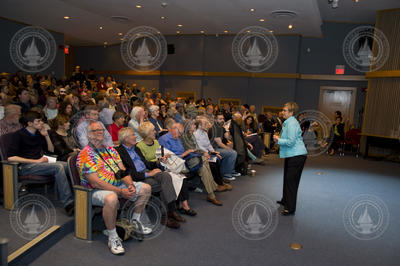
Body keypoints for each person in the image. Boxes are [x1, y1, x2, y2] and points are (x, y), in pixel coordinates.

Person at [77, 121, 151, 255]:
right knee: (111, 198)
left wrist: (130, 185)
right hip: (93, 191)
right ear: (88, 135)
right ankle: (113, 237)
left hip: (118, 185)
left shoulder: (111, 150)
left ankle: (134, 222)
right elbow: (95, 183)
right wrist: (120, 192)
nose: (100, 132)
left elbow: (122, 171)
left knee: (145, 188)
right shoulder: (85, 154)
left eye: (102, 130)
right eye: (95, 131)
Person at [116, 126, 186, 229]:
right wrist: (148, 174)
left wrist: (158, 162)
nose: (136, 136)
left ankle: (170, 211)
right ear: (126, 139)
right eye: (133, 135)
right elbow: (127, 172)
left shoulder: (136, 148)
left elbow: (146, 163)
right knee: (163, 184)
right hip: (138, 177)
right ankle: (166, 214)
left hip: (147, 172)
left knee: (166, 176)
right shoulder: (119, 151)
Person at [7, 111, 74, 216]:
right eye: (38, 121)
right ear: (29, 124)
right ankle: (68, 203)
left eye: (41, 120)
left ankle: (80, 196)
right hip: (26, 166)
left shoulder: (38, 134)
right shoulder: (18, 135)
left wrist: (46, 136)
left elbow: (51, 150)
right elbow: (11, 157)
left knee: (69, 165)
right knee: (58, 167)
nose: (42, 123)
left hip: (40, 163)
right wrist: (36, 161)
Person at [159, 123, 223, 206]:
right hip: (175, 165)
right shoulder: (164, 140)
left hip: (184, 161)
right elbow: (167, 158)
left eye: (181, 134)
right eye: (180, 133)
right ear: (174, 129)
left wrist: (189, 153)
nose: (180, 136)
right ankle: (214, 187)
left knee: (203, 166)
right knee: (203, 162)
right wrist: (184, 154)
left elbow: (184, 151)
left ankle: (211, 195)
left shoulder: (177, 138)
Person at [273, 102, 307, 216]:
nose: (282, 112)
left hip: (296, 155)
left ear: (291, 112)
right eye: (282, 110)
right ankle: (285, 200)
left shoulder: (292, 123)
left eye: (285, 110)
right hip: (291, 154)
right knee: (287, 179)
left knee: (291, 182)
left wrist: (278, 140)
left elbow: (291, 142)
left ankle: (290, 208)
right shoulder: (288, 122)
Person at [209, 113, 240, 181]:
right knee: (232, 153)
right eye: (220, 119)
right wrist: (228, 148)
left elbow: (228, 138)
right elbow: (219, 143)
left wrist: (227, 131)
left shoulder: (221, 127)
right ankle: (226, 173)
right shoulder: (214, 128)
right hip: (212, 149)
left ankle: (230, 169)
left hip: (218, 147)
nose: (222, 120)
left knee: (233, 150)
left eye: (223, 119)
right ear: (215, 120)